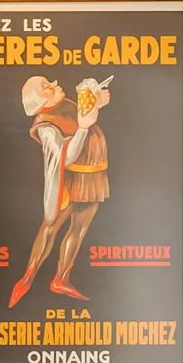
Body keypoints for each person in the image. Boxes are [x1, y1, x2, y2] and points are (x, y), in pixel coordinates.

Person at [9, 75, 110, 309]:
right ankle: (26, 280)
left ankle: (61, 279)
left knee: (79, 228)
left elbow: (83, 117)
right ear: (40, 102)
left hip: (93, 174)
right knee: (50, 227)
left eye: (50, 82)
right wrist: (84, 128)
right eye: (47, 87)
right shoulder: (45, 126)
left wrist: (96, 105)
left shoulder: (65, 104)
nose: (55, 83)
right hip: (71, 178)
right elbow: (66, 156)